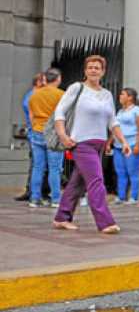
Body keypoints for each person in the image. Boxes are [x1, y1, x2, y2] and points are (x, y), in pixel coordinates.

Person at [53, 55, 131, 234]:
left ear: (103, 72)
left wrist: (123, 141)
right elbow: (59, 112)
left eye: (97, 67)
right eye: (90, 67)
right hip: (81, 143)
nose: (93, 70)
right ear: (85, 70)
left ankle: (61, 218)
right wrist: (63, 136)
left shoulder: (107, 95)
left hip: (99, 145)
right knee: (96, 181)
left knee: (77, 183)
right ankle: (105, 222)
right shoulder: (77, 88)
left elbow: (113, 121)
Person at [28, 68, 65, 208]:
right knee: (55, 168)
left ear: (45, 79)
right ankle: (55, 199)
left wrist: (37, 126)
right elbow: (64, 115)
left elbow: (31, 116)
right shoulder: (61, 94)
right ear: (58, 78)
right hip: (54, 133)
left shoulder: (34, 95)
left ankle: (34, 198)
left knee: (38, 167)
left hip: (37, 131)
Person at [106, 87, 139, 205]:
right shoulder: (120, 112)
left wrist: (138, 145)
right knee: (120, 171)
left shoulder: (138, 111)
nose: (120, 96)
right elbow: (116, 129)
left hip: (133, 144)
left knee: (132, 171)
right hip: (118, 146)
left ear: (130, 97)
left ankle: (134, 197)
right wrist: (109, 142)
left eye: (123, 94)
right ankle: (121, 196)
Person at [15, 73, 46, 202]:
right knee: (37, 164)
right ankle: (33, 191)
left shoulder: (33, 95)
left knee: (37, 164)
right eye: (44, 80)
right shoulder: (32, 96)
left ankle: (35, 191)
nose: (47, 83)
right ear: (38, 82)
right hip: (37, 132)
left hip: (36, 132)